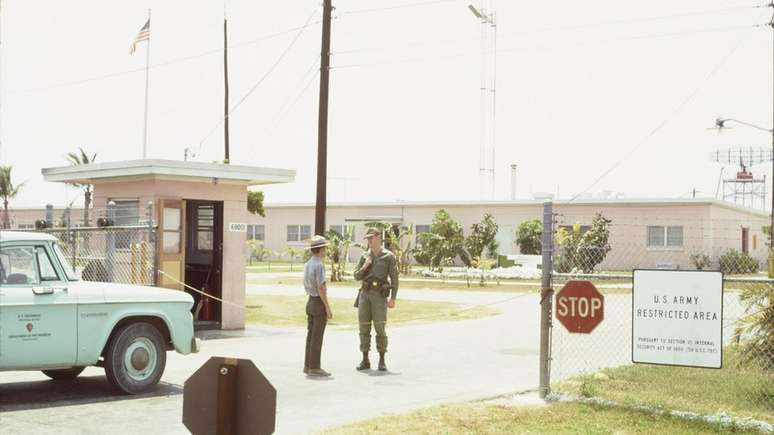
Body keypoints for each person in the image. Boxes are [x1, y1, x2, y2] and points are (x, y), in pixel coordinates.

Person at [353, 228, 399, 371]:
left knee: (380, 327)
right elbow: (356, 276)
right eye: (367, 238)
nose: (369, 241)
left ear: (379, 237)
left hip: (379, 295)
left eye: (371, 237)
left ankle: (382, 360)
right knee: (363, 327)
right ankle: (365, 359)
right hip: (365, 294)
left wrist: (393, 298)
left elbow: (394, 278)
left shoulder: (388, 256)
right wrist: (366, 265)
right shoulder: (365, 255)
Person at [303, 235, 333, 377]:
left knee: (310, 335)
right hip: (317, 302)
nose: (325, 250)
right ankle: (315, 366)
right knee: (317, 337)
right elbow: (322, 288)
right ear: (320, 249)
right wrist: (327, 306)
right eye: (324, 247)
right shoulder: (319, 265)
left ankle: (307, 365)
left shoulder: (307, 264)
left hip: (310, 301)